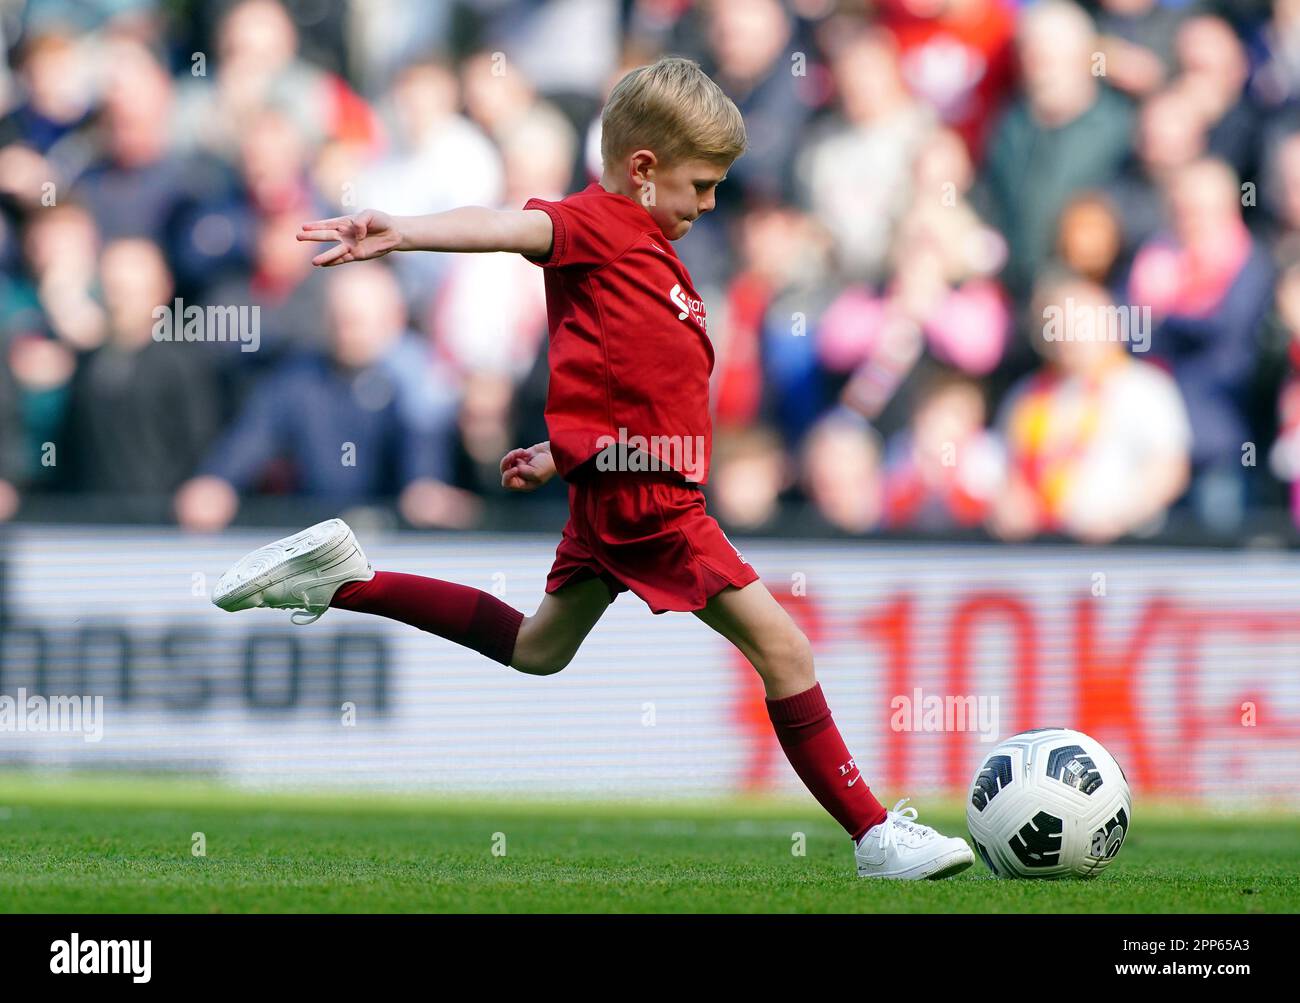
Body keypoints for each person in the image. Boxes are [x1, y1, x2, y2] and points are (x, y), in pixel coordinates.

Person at [209, 57, 973, 881]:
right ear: (643, 171)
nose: (710, 204)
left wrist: (564, 449)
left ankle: (345, 582)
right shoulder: (601, 222)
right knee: (785, 652)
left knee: (539, 647)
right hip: (654, 504)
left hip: (616, 486)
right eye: (702, 185)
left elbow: (626, 369)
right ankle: (874, 836)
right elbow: (506, 226)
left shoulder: (645, 241)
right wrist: (404, 229)